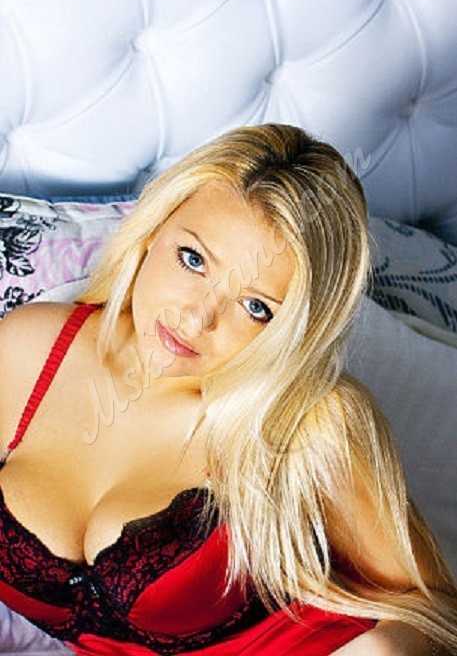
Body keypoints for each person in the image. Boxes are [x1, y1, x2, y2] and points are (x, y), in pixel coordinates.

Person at [0, 123, 455, 656]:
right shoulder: (29, 348)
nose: (197, 318)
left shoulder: (309, 425)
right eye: (193, 260)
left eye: (256, 307)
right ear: (153, 230)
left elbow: (433, 609)